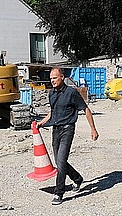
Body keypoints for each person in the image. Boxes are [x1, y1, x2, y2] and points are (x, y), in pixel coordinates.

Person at [37, 67, 99, 205]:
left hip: (68, 130)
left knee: (61, 161)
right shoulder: (52, 93)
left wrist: (93, 129)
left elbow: (85, 109)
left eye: (55, 78)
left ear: (62, 77)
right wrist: (41, 123)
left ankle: (59, 193)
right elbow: (52, 112)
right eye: (51, 78)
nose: (52, 81)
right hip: (56, 130)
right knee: (60, 161)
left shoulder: (71, 92)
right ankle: (77, 179)